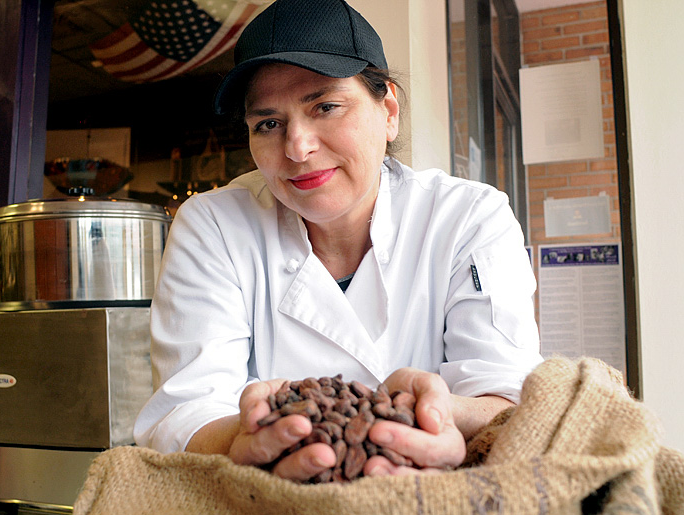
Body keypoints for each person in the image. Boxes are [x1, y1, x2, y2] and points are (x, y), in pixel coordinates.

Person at [134, 0, 543, 482]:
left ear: (388, 112)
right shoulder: (214, 225)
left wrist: (435, 412)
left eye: (325, 107)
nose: (297, 147)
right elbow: (185, 411)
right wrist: (246, 439)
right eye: (268, 123)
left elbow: (508, 399)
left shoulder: (468, 217)